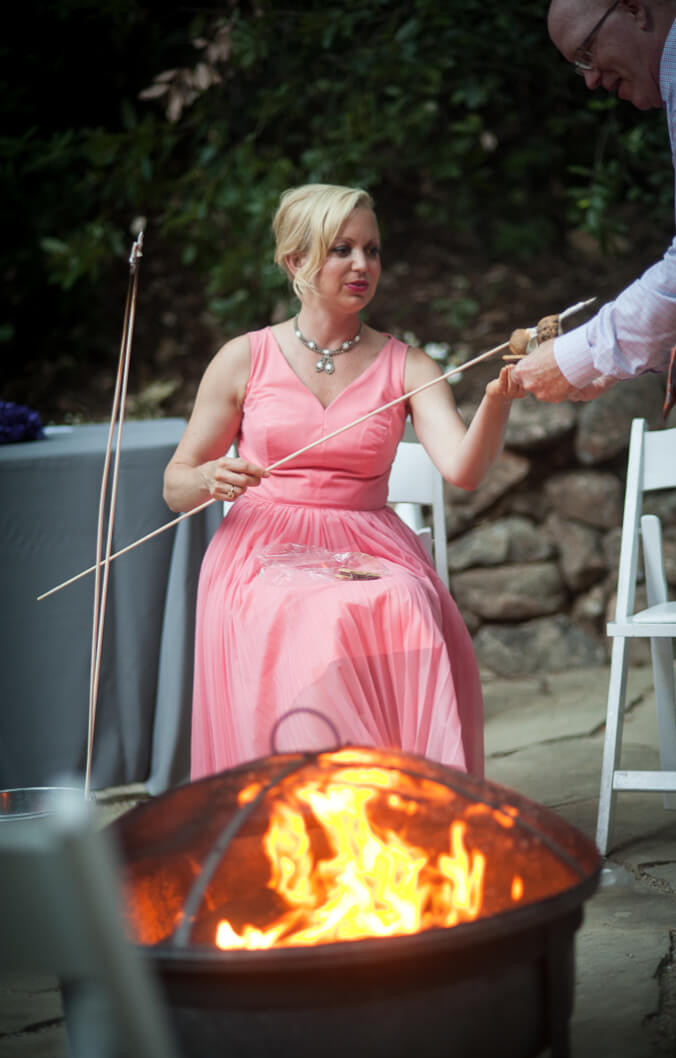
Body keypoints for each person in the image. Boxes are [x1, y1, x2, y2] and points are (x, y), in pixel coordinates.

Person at [510, 0, 676, 941]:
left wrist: (579, 361)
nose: (591, 81)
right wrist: (595, 353)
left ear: (637, 9)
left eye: (587, 54)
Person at [163, 183, 523, 782]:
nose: (363, 265)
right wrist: (206, 474)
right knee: (311, 609)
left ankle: (397, 802)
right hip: (260, 552)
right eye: (342, 249)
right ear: (295, 261)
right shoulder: (242, 358)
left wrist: (495, 399)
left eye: (373, 250)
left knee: (406, 598)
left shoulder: (409, 365)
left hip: (369, 544)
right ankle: (307, 804)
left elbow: (463, 470)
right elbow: (176, 486)